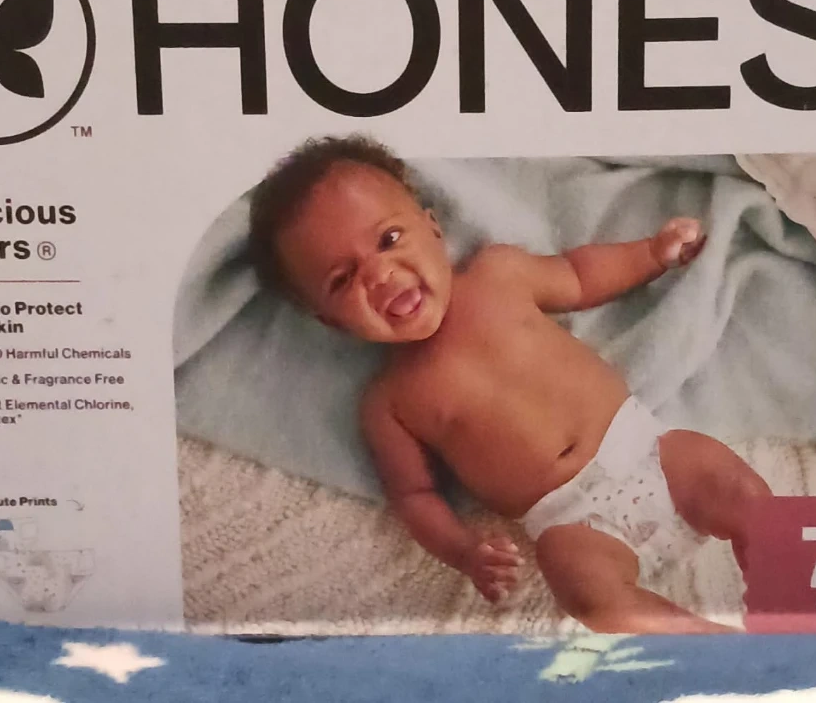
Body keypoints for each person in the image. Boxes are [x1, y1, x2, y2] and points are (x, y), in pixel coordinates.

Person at [247, 134, 771, 634]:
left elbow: (580, 276)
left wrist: (652, 254)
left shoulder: (498, 274)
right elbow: (415, 496)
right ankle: (712, 649)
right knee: (593, 601)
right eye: (342, 279)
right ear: (331, 321)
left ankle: (787, 608)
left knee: (745, 495)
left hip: (647, 452)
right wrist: (463, 550)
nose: (380, 274)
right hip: (572, 524)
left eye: (388, 239)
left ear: (433, 228)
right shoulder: (389, 404)